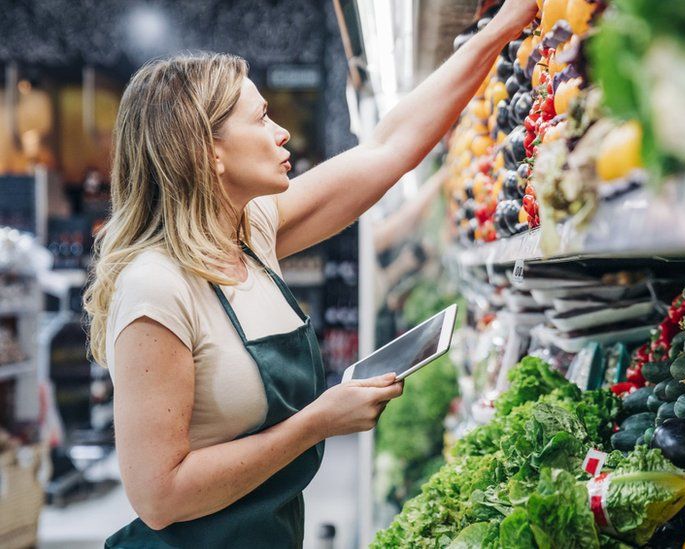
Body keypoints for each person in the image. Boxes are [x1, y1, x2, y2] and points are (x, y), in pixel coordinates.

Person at [81, 1, 537, 546]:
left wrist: (504, 26)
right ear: (210, 152)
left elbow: (389, 147)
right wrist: (315, 423)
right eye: (260, 118)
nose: (281, 133)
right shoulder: (155, 287)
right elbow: (158, 498)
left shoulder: (249, 232)